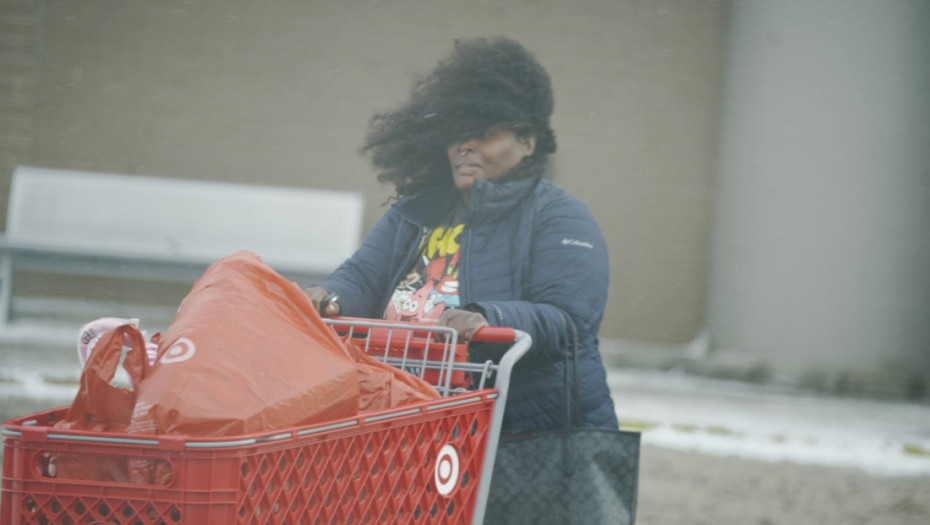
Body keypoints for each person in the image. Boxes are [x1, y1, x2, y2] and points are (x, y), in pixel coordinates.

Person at [305, 36, 617, 433]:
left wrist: (488, 317)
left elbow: (569, 322)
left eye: (485, 134)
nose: (465, 147)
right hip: (403, 412)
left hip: (517, 434)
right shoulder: (415, 209)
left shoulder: (560, 215)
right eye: (457, 134)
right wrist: (327, 298)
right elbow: (363, 276)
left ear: (527, 143)